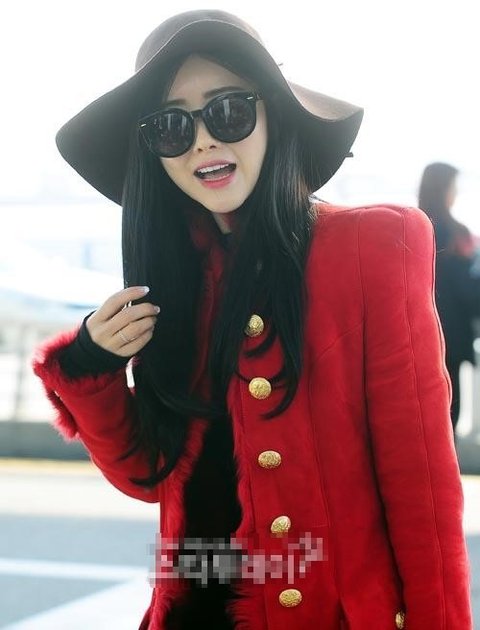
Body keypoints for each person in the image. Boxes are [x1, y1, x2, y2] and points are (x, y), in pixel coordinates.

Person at [32, 10, 472, 630]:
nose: (203, 142)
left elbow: (420, 486)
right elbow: (147, 474)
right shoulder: (175, 279)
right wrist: (90, 365)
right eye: (172, 125)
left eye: (228, 111)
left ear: (272, 115)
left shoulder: (373, 245)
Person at [418, 162, 480, 437]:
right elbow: (467, 291)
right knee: (449, 413)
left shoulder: (413, 228)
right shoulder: (456, 234)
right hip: (451, 336)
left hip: (419, 333)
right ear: (443, 189)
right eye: (454, 187)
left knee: (426, 414)